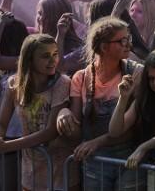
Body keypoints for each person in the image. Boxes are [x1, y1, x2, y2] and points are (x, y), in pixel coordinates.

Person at [56, 16, 143, 190]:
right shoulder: (80, 78)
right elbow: (77, 132)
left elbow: (134, 128)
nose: (128, 44)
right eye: (122, 40)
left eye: (129, 39)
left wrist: (98, 142)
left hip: (129, 160)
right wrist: (63, 114)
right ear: (104, 47)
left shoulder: (136, 72)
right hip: (94, 164)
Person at [0, 33, 76, 191]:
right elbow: (0, 123)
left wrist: (5, 146)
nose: (53, 60)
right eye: (46, 56)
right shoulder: (14, 84)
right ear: (30, 59)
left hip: (60, 171)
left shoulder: (61, 82)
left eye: (55, 54)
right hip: (31, 171)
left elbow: (51, 132)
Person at [108, 48, 155, 190]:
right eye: (151, 78)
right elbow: (115, 131)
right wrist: (123, 98)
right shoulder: (145, 100)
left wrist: (144, 147)